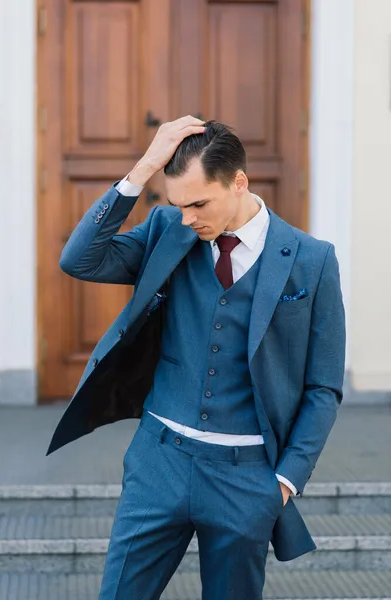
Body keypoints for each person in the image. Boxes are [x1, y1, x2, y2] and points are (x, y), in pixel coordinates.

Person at [47, 116, 346, 599]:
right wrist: (143, 167)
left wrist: (285, 482)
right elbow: (79, 259)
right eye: (178, 205)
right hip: (158, 462)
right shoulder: (169, 229)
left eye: (199, 203)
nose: (188, 218)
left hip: (246, 478)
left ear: (239, 183)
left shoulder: (312, 259)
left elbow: (323, 386)